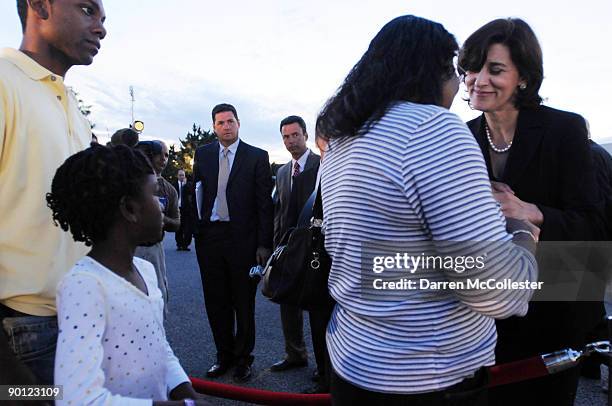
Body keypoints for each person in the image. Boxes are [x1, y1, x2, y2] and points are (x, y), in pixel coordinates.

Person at [316, 15, 539, 405]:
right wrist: (520, 231)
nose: (460, 85)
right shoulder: (434, 128)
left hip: (353, 363)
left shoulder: (343, 137)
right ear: (435, 72)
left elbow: (372, 259)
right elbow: (495, 292)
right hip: (428, 375)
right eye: (457, 72)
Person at [459, 18, 603, 405]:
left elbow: (594, 223)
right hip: (485, 313)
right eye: (471, 68)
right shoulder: (462, 136)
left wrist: (531, 211)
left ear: (523, 77)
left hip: (553, 310)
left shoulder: (564, 129)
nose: (478, 80)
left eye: (495, 69)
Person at [47, 144, 211, 406]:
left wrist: (185, 390)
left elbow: (159, 346)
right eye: (155, 196)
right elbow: (78, 399)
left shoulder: (145, 270)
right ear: (130, 209)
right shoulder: (86, 285)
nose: (161, 208)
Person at [0, 0, 106, 385]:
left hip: (79, 320)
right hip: (21, 334)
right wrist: (9, 378)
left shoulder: (73, 107)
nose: (100, 28)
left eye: (102, 18)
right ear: (39, 6)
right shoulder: (3, 81)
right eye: (86, 9)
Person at [192, 103, 273, 382]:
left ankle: (243, 360)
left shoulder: (256, 157)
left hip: (244, 241)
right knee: (216, 301)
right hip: (210, 238)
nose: (226, 126)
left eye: (230, 121)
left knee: (243, 303)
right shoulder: (202, 155)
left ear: (239, 123)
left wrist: (264, 244)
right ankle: (223, 356)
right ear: (214, 127)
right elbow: (196, 194)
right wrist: (196, 231)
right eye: (220, 122)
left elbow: (265, 205)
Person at [270, 115, 319, 375]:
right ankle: (295, 353)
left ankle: (325, 365)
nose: (290, 141)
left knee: (316, 305)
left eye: (295, 135)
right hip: (287, 247)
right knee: (287, 302)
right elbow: (279, 210)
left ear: (305, 135)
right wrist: (274, 245)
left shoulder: (321, 164)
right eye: (286, 137)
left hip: (314, 247)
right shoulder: (281, 172)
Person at [134, 140, 179, 313]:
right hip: (129, 248)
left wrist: (161, 218)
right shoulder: (129, 183)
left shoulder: (169, 190)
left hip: (154, 250)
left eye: (167, 155)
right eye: (159, 153)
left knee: (157, 297)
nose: (163, 158)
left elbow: (177, 223)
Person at [175, 169, 194, 251]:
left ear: (185, 176)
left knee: (188, 227)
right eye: (180, 175)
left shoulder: (189, 185)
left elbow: (192, 192)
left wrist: (186, 185)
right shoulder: (174, 185)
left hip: (187, 209)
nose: (181, 177)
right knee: (179, 227)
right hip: (177, 208)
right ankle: (179, 244)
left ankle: (186, 244)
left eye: (183, 175)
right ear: (177, 176)